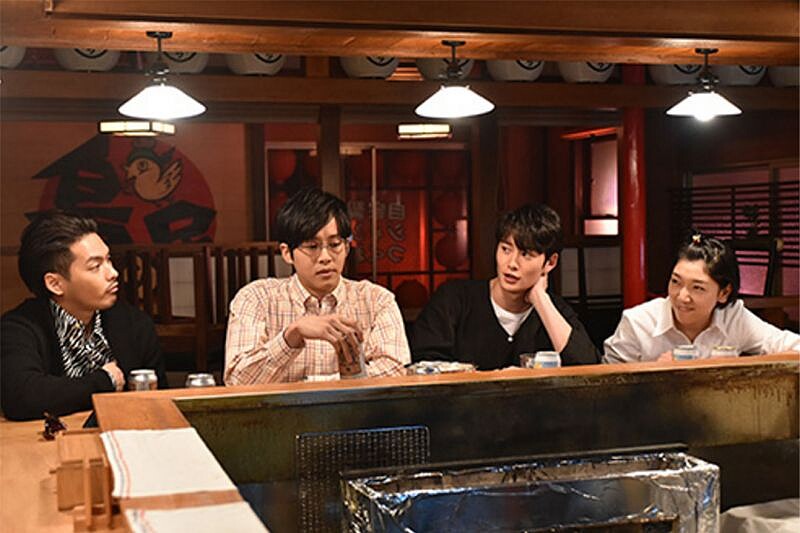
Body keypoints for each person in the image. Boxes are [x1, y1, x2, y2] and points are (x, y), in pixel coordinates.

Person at [224, 188, 410, 384]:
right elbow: (237, 381)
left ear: (346, 247)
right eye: (312, 247)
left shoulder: (376, 300)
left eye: (335, 244)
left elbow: (395, 373)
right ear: (287, 253)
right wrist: (291, 336)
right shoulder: (256, 298)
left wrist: (313, 384)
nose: (325, 257)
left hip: (352, 406)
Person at [1, 211, 166, 421]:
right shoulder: (18, 328)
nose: (113, 273)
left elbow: (160, 398)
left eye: (108, 260)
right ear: (55, 284)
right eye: (95, 266)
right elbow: (22, 398)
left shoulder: (133, 324)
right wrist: (105, 381)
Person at [411, 203, 599, 369]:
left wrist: (541, 299)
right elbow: (424, 366)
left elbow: (590, 370)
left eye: (526, 254)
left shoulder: (555, 311)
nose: (512, 264)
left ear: (550, 262)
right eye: (506, 249)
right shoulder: (454, 299)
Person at [603, 232, 800, 363]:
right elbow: (606, 389)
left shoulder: (733, 318)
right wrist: (655, 373)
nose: (682, 296)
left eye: (697, 288)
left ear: (724, 293)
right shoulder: (638, 322)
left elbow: (795, 348)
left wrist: (738, 367)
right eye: (676, 281)